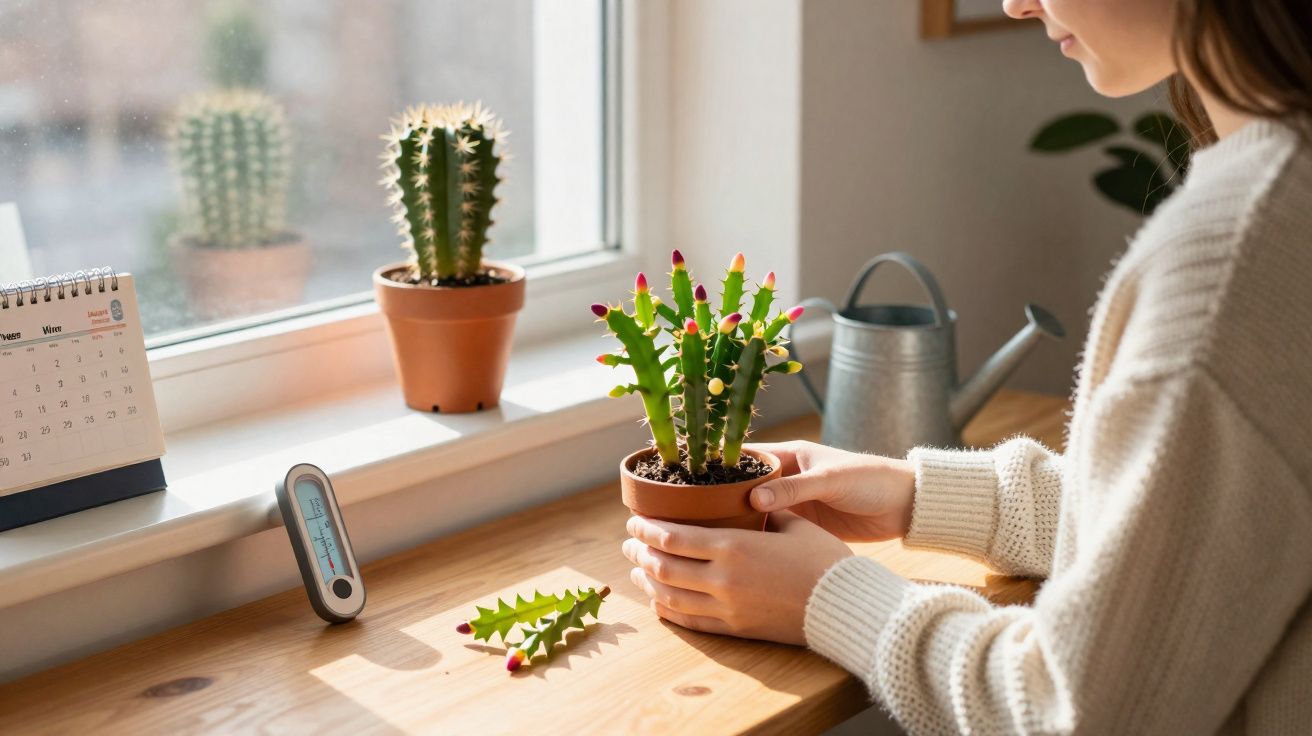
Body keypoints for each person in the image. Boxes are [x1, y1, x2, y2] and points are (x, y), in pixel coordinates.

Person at [620, 1, 1312, 732]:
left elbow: (1070, 716)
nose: (1014, 1)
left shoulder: (1231, 266)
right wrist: (924, 497)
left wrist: (829, 599)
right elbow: (1215, 530)